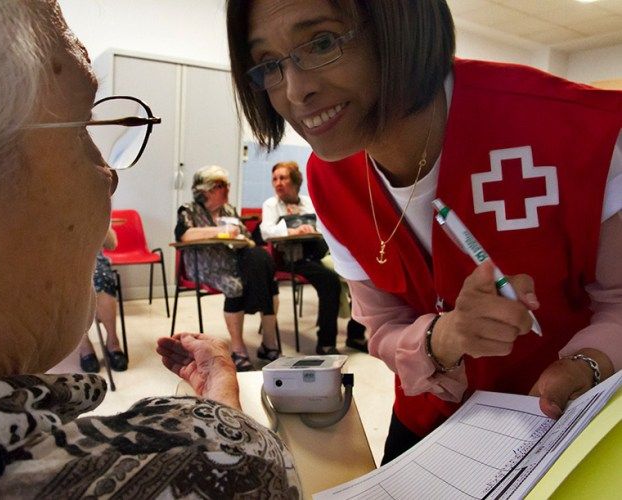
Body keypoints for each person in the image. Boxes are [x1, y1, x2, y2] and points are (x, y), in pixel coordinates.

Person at [0, 2, 300, 497]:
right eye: (80, 127)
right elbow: (234, 463)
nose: (111, 176)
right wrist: (224, 410)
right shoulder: (209, 469)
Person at [226, 0, 621, 464]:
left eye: (323, 42)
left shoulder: (583, 131)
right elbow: (382, 325)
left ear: (400, 21)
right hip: (429, 417)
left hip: (562, 420)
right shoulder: (329, 178)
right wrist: (442, 338)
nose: (295, 91)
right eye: (269, 65)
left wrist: (585, 365)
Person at [175, 165, 281, 371]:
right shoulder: (188, 210)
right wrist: (219, 231)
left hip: (234, 261)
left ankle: (269, 343)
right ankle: (238, 348)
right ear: (208, 189)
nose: (228, 188)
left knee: (269, 280)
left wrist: (239, 236)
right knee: (235, 286)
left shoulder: (229, 210)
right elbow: (184, 235)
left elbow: (245, 236)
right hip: (204, 266)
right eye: (222, 185)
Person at [261, 161, 368, 354]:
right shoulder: (271, 205)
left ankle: (355, 334)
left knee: (358, 276)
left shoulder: (308, 202)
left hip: (319, 253)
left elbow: (326, 225)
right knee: (330, 282)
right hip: (293, 259)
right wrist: (293, 230)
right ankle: (326, 343)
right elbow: (266, 232)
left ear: (294, 181)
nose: (278, 183)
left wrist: (312, 228)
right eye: (274, 179)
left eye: (283, 178)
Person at [78, 227, 128, 372]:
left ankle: (112, 341)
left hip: (93, 257)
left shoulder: (93, 207)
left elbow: (111, 244)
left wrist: (97, 218)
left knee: (102, 278)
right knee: (69, 285)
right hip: (61, 261)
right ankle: (83, 344)